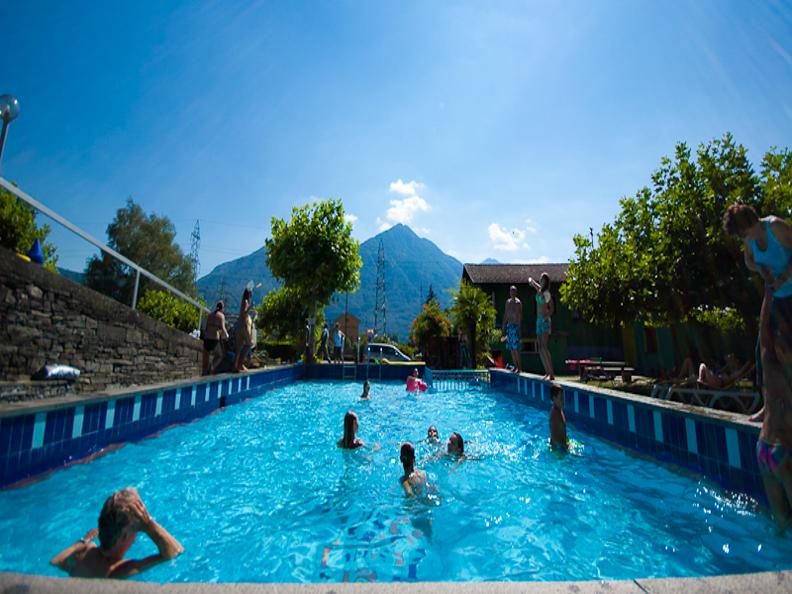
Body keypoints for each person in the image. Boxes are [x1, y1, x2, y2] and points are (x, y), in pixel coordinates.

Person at [50, 488, 183, 579]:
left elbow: (55, 562)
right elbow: (174, 552)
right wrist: (149, 525)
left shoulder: (83, 551)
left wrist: (82, 542)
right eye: (138, 528)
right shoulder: (118, 570)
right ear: (124, 536)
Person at [723, 204, 792, 372]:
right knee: (764, 352)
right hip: (778, 298)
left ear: (749, 223)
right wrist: (760, 268)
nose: (742, 238)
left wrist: (783, 277)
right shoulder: (749, 239)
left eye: (742, 233)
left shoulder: (775, 227)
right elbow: (749, 261)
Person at [755, 285, 792, 531]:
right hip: (785, 449)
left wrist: (769, 287)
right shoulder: (787, 365)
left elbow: (763, 330)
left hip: (764, 449)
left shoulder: (767, 357)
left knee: (780, 527)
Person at [528, 273, 555, 380]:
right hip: (538, 321)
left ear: (546, 282)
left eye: (543, 280)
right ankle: (547, 372)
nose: (541, 281)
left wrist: (546, 317)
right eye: (540, 279)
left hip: (544, 321)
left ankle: (551, 373)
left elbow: (552, 308)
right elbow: (532, 282)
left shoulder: (547, 293)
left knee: (544, 347)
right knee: (539, 348)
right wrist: (530, 279)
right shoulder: (539, 290)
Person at [202, 301, 229, 375]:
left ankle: (204, 373)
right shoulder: (221, 316)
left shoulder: (210, 315)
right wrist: (227, 336)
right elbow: (223, 328)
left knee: (205, 360)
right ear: (222, 308)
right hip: (214, 339)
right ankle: (212, 367)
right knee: (220, 355)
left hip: (206, 339)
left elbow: (204, 327)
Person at [501, 285, 523, 374]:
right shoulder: (508, 302)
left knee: (516, 348)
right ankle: (515, 366)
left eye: (514, 291)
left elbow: (520, 316)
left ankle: (519, 367)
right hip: (509, 326)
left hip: (515, 326)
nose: (512, 293)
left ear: (516, 292)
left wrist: (519, 328)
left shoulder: (518, 303)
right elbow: (506, 314)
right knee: (511, 349)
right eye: (511, 291)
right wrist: (503, 325)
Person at [233, 288, 253, 373]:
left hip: (238, 325)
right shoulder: (245, 302)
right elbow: (244, 313)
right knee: (249, 344)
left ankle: (235, 367)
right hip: (243, 326)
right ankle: (240, 364)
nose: (251, 295)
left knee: (239, 347)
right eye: (250, 294)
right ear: (248, 294)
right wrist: (250, 308)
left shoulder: (243, 301)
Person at [549, 384, 568, 450]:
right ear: (554, 398)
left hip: (560, 447)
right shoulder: (555, 415)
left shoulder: (559, 410)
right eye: (561, 398)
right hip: (558, 450)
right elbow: (555, 438)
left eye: (563, 397)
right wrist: (566, 448)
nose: (563, 400)